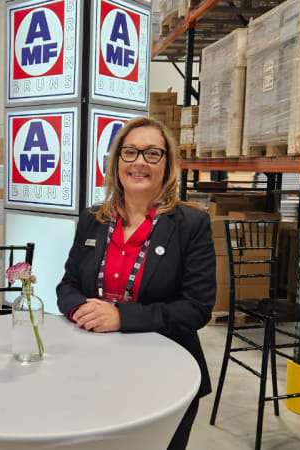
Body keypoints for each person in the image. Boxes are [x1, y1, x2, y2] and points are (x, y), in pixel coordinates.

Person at [56, 116, 216, 449]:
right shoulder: (92, 218)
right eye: (130, 153)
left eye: (152, 153)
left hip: (163, 369)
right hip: (93, 367)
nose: (139, 162)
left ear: (167, 164)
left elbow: (196, 308)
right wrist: (81, 310)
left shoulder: (191, 224)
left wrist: (120, 317)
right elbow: (67, 285)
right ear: (117, 163)